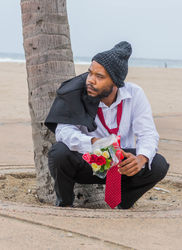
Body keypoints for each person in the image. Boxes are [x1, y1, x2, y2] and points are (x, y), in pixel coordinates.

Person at [45, 41, 169, 209]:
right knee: (59, 152)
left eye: (100, 76)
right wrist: (94, 143)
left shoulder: (135, 94)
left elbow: (148, 134)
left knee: (158, 164)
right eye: (90, 73)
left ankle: (122, 202)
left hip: (120, 165)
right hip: (89, 160)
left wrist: (140, 159)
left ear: (116, 82)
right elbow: (63, 131)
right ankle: (65, 203)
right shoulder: (77, 94)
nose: (91, 80)